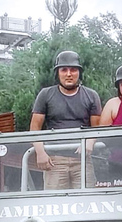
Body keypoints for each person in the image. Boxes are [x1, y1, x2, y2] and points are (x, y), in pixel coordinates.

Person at [29, 50, 102, 189]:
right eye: (64, 70)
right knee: (55, 205)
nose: (69, 74)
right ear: (58, 73)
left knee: (87, 204)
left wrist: (90, 142)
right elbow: (34, 128)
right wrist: (40, 152)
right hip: (54, 160)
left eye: (73, 69)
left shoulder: (92, 95)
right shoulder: (45, 94)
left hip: (83, 160)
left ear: (79, 72)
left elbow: (96, 128)